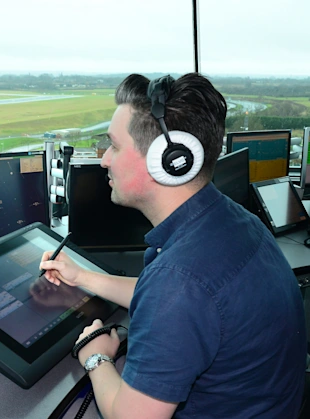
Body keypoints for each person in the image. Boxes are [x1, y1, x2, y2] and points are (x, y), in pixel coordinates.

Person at [39, 73, 307, 418]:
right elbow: (172, 295)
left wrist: (96, 356)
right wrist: (83, 277)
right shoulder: (236, 221)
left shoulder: (180, 280)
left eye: (115, 146)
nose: (104, 160)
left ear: (167, 160)